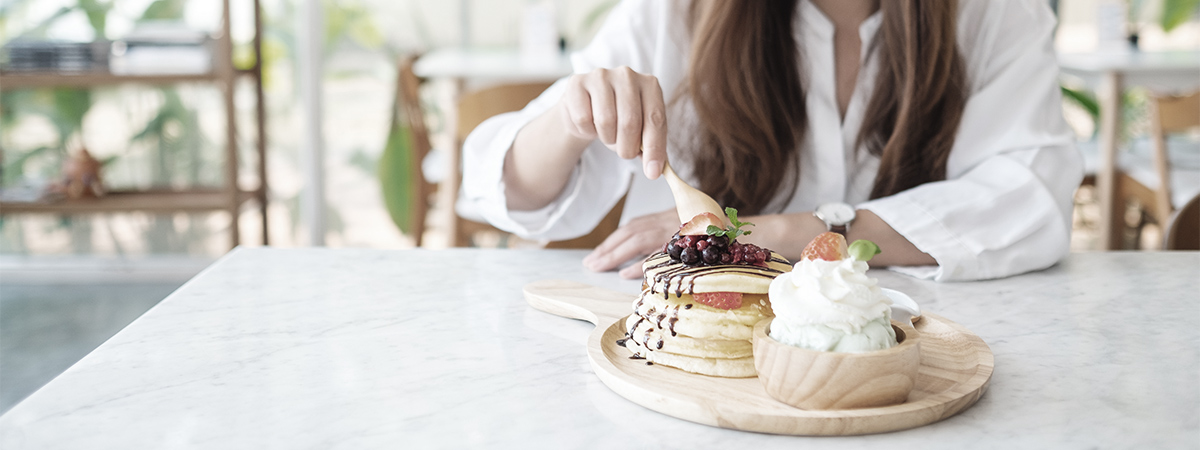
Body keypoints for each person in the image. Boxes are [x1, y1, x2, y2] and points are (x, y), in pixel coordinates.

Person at [460, 0, 1083, 282]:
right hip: (690, 374)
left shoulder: (996, 13)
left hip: (910, 366)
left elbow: (1030, 195)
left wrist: (786, 234)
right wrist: (569, 121)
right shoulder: (672, 14)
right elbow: (503, 188)